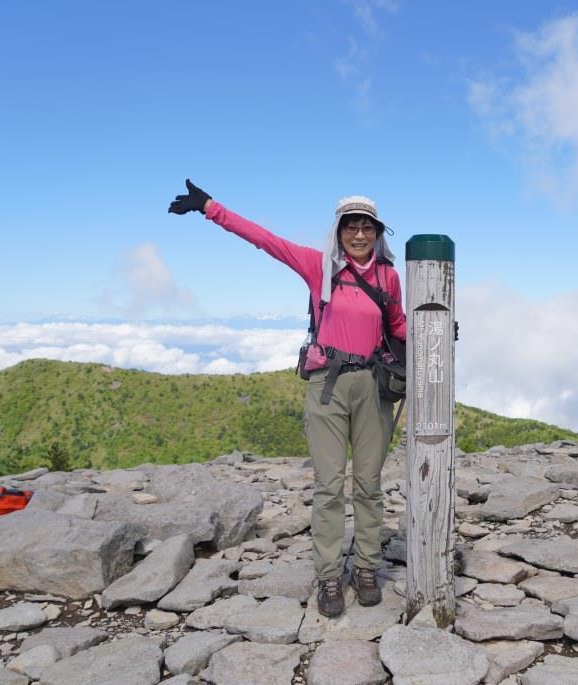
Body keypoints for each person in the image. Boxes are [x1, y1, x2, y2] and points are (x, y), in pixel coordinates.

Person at [169, 180, 406, 618]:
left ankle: (369, 567)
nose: (359, 235)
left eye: (367, 228)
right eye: (350, 227)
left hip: (374, 388)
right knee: (330, 485)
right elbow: (265, 240)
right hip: (327, 387)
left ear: (377, 233)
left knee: (369, 485)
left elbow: (399, 327)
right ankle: (330, 576)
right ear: (338, 232)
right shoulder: (319, 267)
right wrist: (209, 207)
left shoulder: (388, 276)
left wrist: (436, 332)